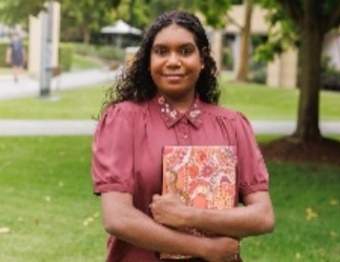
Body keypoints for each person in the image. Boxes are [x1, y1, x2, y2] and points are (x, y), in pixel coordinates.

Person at [91, 10, 275, 262]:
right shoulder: (123, 121)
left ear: (202, 60)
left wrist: (188, 215)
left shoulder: (233, 125)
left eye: (186, 51)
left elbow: (263, 216)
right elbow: (117, 218)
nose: (173, 61)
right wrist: (205, 249)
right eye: (161, 51)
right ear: (148, 61)